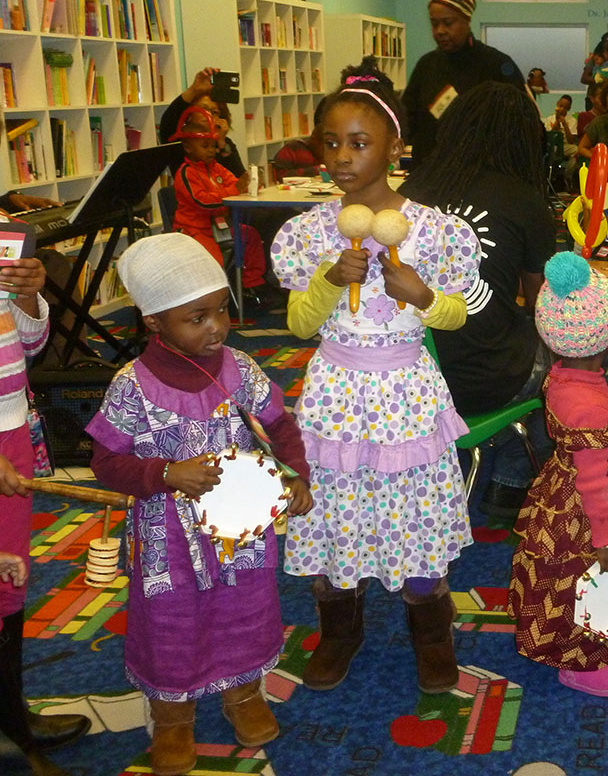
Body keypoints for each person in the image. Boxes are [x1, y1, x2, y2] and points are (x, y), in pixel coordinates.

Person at [271, 61, 481, 697]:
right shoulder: (308, 231)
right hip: (336, 394)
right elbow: (300, 327)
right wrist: (328, 282)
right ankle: (339, 629)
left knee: (413, 513)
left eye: (359, 143)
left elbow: (458, 313)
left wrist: (420, 294)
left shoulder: (435, 229)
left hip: (406, 395)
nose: (340, 157)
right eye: (330, 143)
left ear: (396, 147)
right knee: (335, 511)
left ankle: (431, 633)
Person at [86, 232, 312, 776]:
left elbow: (280, 425)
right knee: (171, 620)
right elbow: (105, 462)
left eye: (221, 311)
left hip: (241, 528)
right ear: (154, 323)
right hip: (167, 536)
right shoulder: (130, 387)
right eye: (196, 317)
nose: (215, 327)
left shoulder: (239, 368)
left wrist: (297, 476)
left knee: (246, 609)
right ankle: (172, 715)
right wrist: (164, 472)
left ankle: (243, 693)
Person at [402, 82, 556, 519]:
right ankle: (510, 480)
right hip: (483, 379)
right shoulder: (524, 200)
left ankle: (498, 464)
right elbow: (541, 302)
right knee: (561, 359)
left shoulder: (413, 187)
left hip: (404, 377)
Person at [509, 252, 608, 697]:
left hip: (569, 487)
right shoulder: (586, 402)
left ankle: (606, 636)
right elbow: (593, 482)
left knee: (596, 582)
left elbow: (581, 437)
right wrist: (607, 536)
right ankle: (581, 663)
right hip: (585, 516)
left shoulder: (564, 377)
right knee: (583, 580)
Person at [0, 223, 90, 776]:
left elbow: (29, 347)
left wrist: (28, 295)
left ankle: (11, 716)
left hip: (10, 430)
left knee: (10, 584)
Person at [402, 0, 524, 163]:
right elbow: (406, 119)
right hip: (428, 174)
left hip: (480, 176)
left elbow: (521, 126)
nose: (440, 31)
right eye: (434, 24)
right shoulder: (426, 66)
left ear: (466, 20)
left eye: (448, 23)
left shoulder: (497, 65)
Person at [168, 106, 269, 300]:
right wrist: (235, 189)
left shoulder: (217, 168)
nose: (211, 151)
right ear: (188, 147)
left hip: (219, 229)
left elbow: (235, 185)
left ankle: (252, 283)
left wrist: (251, 183)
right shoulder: (186, 173)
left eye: (213, 146)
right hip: (194, 231)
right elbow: (203, 202)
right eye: (205, 146)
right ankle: (215, 298)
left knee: (250, 235)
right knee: (213, 255)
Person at [544, 94, 578, 158]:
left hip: (566, 146)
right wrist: (556, 123)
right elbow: (548, 137)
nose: (562, 109)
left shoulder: (572, 120)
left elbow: (571, 141)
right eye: (561, 106)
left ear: (569, 108)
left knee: (576, 149)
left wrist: (565, 125)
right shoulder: (549, 119)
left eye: (565, 108)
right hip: (553, 146)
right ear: (557, 103)